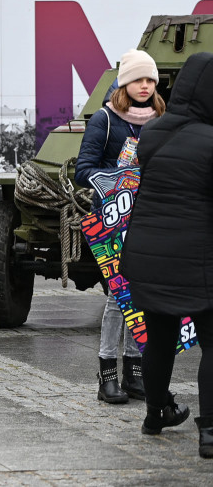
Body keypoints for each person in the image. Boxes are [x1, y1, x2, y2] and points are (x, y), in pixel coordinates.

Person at [121, 51, 213, 455]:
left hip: (148, 254)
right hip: (197, 258)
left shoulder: (153, 132)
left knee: (159, 338)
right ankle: (210, 432)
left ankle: (155, 414)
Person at [75, 49, 164, 404]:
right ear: (125, 82)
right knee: (117, 296)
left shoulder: (160, 117)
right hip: (114, 220)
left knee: (140, 295)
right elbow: (83, 170)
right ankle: (107, 374)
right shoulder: (105, 119)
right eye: (138, 79)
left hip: (150, 217)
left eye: (150, 80)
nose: (145, 86)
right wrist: (122, 179)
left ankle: (134, 373)